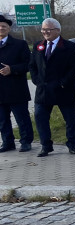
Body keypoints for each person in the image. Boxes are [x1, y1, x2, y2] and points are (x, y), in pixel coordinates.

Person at [29, 17, 75, 157]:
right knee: (40, 118)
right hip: (43, 90)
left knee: (70, 119)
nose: (45, 32)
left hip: (64, 89)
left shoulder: (70, 47)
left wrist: (63, 82)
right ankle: (46, 146)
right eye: (43, 29)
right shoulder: (38, 46)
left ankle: (72, 144)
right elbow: (32, 66)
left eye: (48, 29)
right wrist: (36, 80)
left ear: (57, 30)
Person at [0, 14, 34, 152]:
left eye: (4, 26)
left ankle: (26, 141)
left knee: (22, 118)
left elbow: (29, 64)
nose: (1, 28)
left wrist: (12, 69)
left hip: (16, 89)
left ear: (9, 28)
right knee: (2, 120)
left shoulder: (20, 44)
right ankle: (7, 142)